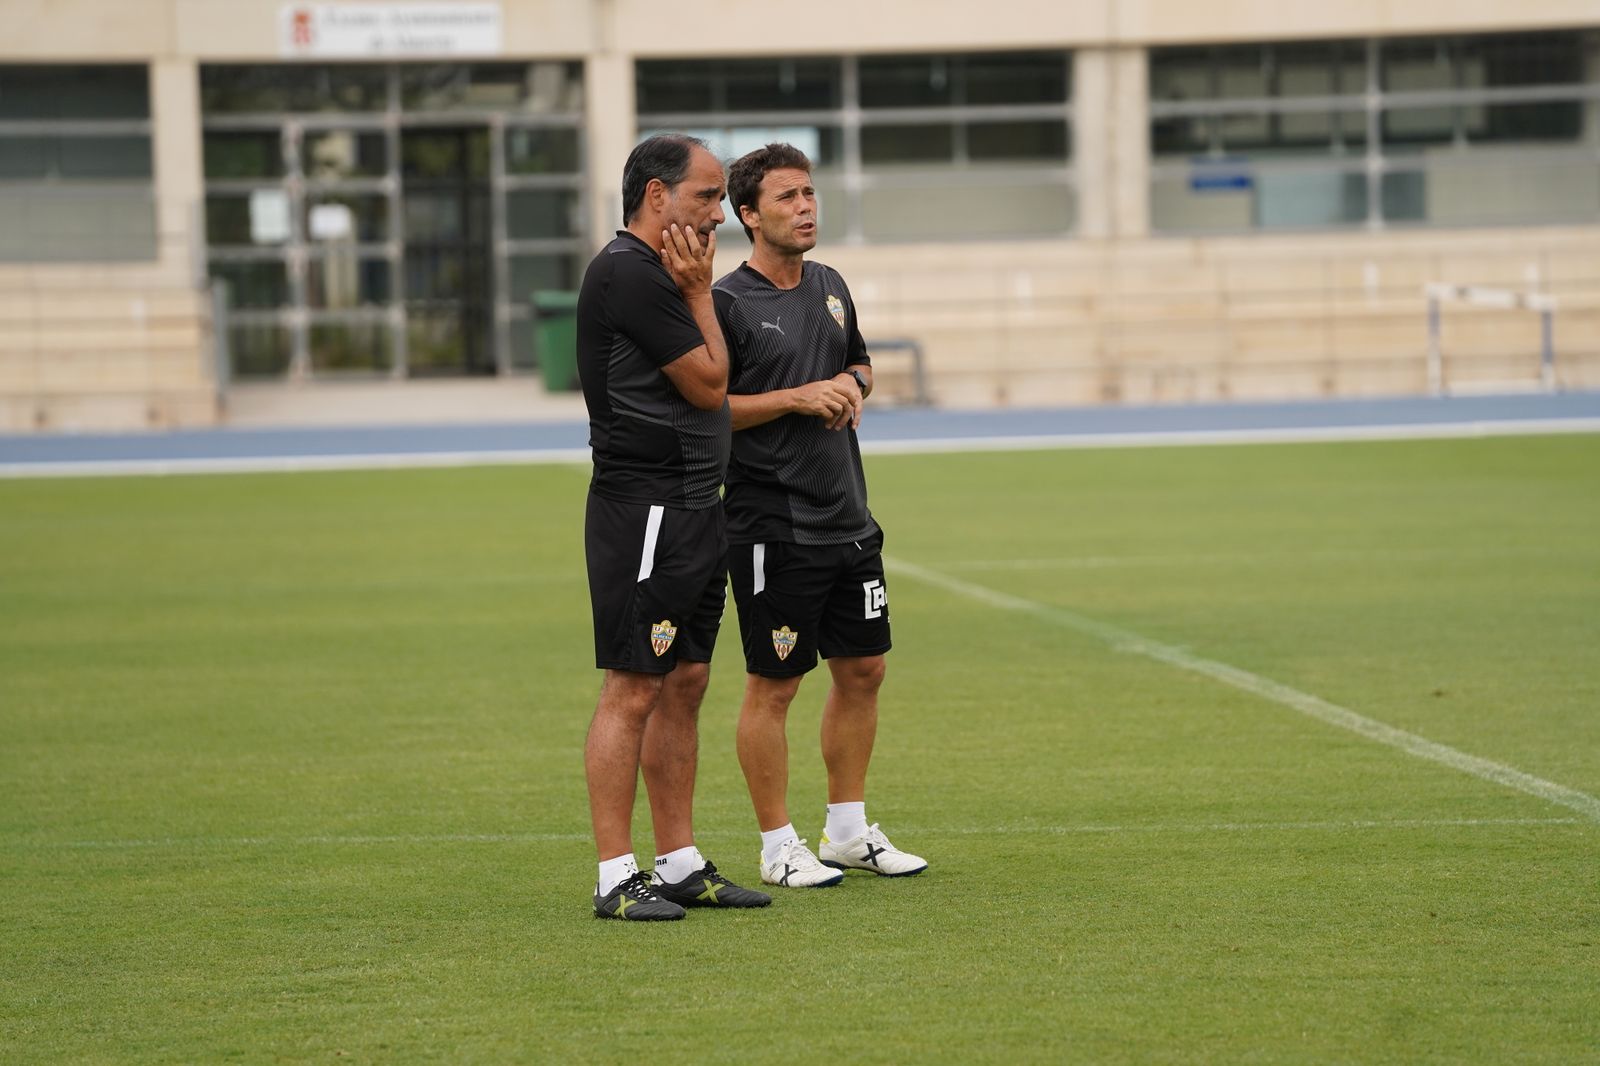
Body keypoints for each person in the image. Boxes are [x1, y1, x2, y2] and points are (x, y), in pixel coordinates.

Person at [712, 143, 928, 889]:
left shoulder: (831, 284)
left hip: (849, 520)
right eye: (787, 197)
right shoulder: (726, 304)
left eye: (809, 193)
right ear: (748, 215)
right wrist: (798, 398)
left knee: (864, 670)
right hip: (773, 527)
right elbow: (707, 410)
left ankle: (846, 832)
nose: (806, 207)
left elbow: (860, 362)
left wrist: (850, 385)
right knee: (774, 685)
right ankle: (778, 846)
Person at [576, 134, 770, 920]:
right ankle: (614, 876)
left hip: (696, 505)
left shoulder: (661, 274)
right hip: (647, 510)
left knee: (686, 681)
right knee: (633, 687)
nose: (720, 213)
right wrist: (698, 295)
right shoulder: (630, 272)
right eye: (706, 195)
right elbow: (711, 384)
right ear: (656, 196)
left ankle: (681, 861)